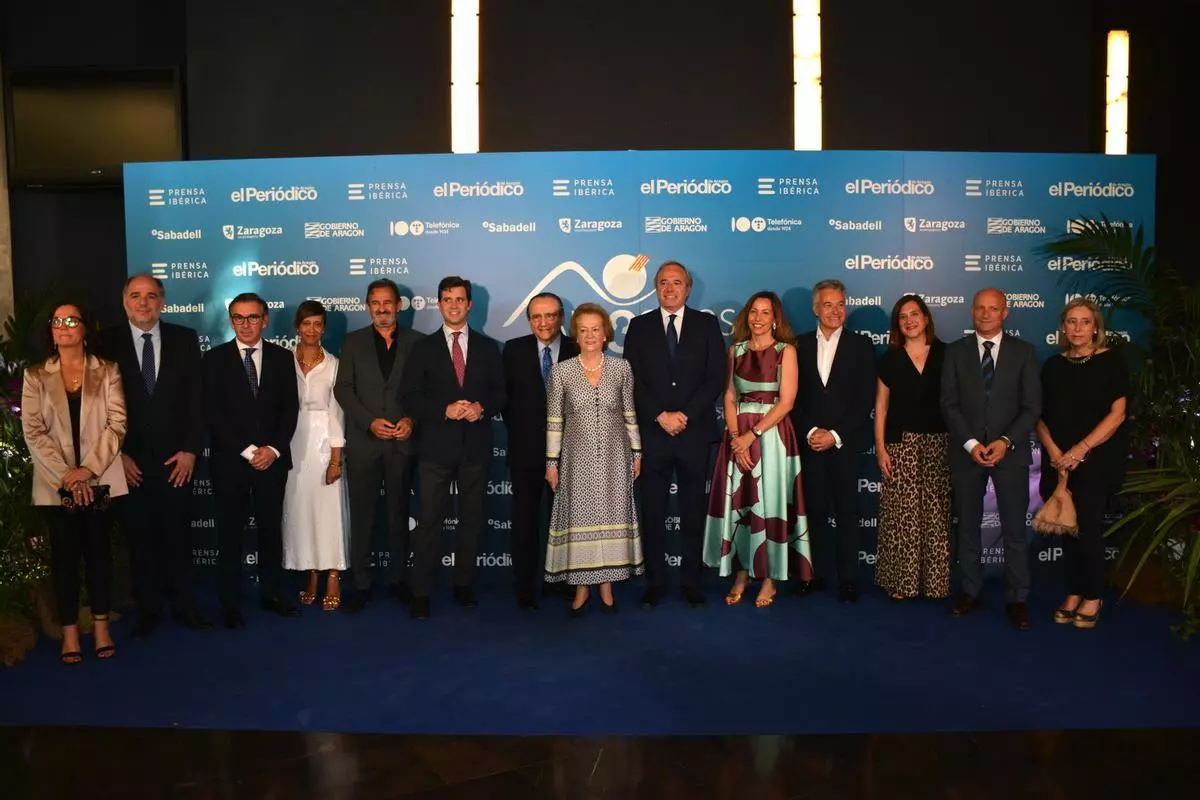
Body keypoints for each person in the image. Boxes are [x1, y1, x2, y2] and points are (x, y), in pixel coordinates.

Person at [94, 274, 211, 638]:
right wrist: (117, 457)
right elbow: (97, 408)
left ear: (162, 301)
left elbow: (196, 400)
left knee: (179, 539)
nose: (143, 303)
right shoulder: (105, 342)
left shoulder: (184, 339)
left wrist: (190, 450)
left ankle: (186, 607)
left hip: (177, 462)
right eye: (135, 296)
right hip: (128, 463)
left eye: (150, 296)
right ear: (124, 301)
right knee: (139, 541)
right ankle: (148, 611)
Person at [22, 302, 128, 663]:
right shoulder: (35, 375)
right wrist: (67, 475)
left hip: (101, 480)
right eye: (57, 321)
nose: (64, 326)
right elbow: (33, 431)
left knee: (99, 556)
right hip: (56, 485)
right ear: (51, 332)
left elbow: (117, 424)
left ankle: (101, 628)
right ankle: (69, 632)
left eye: (71, 320)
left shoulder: (108, 370)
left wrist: (87, 471)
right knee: (64, 559)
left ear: (85, 329)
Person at [623, 261, 726, 609]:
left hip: (693, 433)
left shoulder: (706, 324)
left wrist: (685, 415)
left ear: (688, 288)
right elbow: (631, 378)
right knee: (652, 511)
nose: (670, 288)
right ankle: (654, 583)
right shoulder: (639, 327)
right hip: (653, 435)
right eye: (663, 282)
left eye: (677, 282)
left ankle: (691, 582)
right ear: (655, 287)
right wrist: (659, 415)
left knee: (693, 510)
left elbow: (715, 377)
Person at [402, 276, 505, 620]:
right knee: (429, 522)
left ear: (470, 304)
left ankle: (464, 585)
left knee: (471, 521)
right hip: (435, 449)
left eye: (460, 299)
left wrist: (481, 407)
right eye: (447, 299)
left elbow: (500, 393)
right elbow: (410, 396)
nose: (454, 305)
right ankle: (421, 592)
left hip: (475, 448)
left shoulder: (489, 348)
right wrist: (443, 410)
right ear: (439, 304)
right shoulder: (422, 348)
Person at [941, 288, 1042, 630]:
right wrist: (971, 444)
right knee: (967, 527)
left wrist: (1005, 442)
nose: (986, 314)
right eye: (980, 308)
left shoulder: (1024, 352)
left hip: (1010, 454)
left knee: (1015, 531)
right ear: (972, 311)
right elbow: (949, 404)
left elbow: (1032, 406)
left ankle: (1017, 598)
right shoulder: (955, 352)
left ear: (1005, 312)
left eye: (993, 308)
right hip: (966, 454)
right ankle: (970, 590)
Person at [702, 292, 811, 607]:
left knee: (769, 502)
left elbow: (787, 402)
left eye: (765, 312)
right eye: (754, 311)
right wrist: (737, 438)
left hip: (772, 438)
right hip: (737, 438)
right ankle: (742, 573)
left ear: (775, 319)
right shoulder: (735, 350)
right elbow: (729, 396)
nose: (758, 318)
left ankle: (770, 577)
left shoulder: (785, 351)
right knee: (741, 504)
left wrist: (752, 435)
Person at [202, 293, 301, 629]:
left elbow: (290, 409)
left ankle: (272, 594)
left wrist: (272, 449)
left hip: (272, 463)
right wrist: (247, 450)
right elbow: (212, 413)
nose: (246, 324)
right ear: (231, 321)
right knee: (230, 536)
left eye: (253, 317)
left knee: (271, 531)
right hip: (230, 464)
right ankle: (230, 604)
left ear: (265, 320)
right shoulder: (214, 359)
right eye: (239, 318)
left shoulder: (282, 357)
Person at [545, 303, 644, 615]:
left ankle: (607, 587)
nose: (589, 335)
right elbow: (554, 421)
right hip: (576, 460)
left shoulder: (622, 368)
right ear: (576, 335)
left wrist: (637, 452)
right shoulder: (561, 371)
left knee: (612, 517)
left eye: (595, 330)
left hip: (615, 457)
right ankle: (582, 588)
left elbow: (630, 413)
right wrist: (551, 463)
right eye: (583, 330)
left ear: (605, 334)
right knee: (580, 520)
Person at [1035, 297, 1128, 629]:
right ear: (1063, 327)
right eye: (1071, 322)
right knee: (1067, 528)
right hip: (1059, 461)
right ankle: (1074, 591)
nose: (1077, 328)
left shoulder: (1111, 362)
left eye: (1084, 322)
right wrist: (1054, 452)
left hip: (1095, 460)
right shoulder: (1052, 366)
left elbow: (1118, 414)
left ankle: (1093, 595)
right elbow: (1038, 416)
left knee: (1087, 528)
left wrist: (1080, 450)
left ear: (1096, 327)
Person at [333, 278, 422, 613]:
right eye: (375, 303)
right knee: (363, 515)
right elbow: (343, 389)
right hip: (364, 442)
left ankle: (399, 580)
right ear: (368, 306)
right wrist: (369, 421)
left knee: (399, 515)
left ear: (398, 306)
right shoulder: (353, 342)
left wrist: (411, 419)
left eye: (387, 302)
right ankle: (361, 583)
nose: (382, 309)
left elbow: (426, 390)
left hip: (402, 442)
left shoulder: (418, 342)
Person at [790, 279, 876, 603]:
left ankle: (848, 580)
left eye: (841, 304)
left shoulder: (861, 345)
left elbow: (864, 398)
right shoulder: (797, 346)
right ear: (816, 308)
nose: (835, 311)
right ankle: (812, 576)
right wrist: (811, 432)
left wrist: (835, 435)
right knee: (813, 512)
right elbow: (792, 398)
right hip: (810, 444)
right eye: (828, 304)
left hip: (845, 445)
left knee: (847, 513)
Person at [501, 292, 579, 610]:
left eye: (550, 315)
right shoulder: (513, 350)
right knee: (524, 522)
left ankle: (559, 581)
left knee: (564, 522)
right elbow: (506, 402)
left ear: (561, 317)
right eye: (536, 316)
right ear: (529, 320)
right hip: (526, 453)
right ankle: (524, 586)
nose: (543, 322)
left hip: (571, 453)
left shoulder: (578, 348)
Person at [873, 294, 951, 601]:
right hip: (900, 443)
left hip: (939, 443)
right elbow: (881, 408)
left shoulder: (948, 354)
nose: (910, 321)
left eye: (915, 314)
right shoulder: (889, 359)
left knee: (936, 515)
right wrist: (881, 449)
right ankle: (902, 582)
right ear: (897, 324)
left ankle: (935, 583)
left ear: (926, 318)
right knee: (902, 516)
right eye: (903, 317)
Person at [282, 300, 349, 612]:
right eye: (306, 323)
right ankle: (310, 571)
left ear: (324, 328)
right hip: (290, 445)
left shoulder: (334, 365)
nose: (311, 330)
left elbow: (337, 413)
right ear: (297, 326)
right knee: (301, 512)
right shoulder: (282, 362)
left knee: (329, 512)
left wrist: (336, 458)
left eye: (318, 324)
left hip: (324, 447)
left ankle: (333, 574)